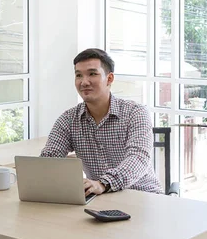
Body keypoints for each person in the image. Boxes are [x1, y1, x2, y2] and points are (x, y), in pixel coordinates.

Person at [40, 48, 163, 196]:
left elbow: (138, 158)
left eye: (92, 74)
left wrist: (104, 183)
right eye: (78, 75)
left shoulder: (135, 113)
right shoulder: (68, 120)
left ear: (109, 79)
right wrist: (41, 173)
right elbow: (49, 159)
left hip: (144, 196)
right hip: (100, 199)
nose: (84, 82)